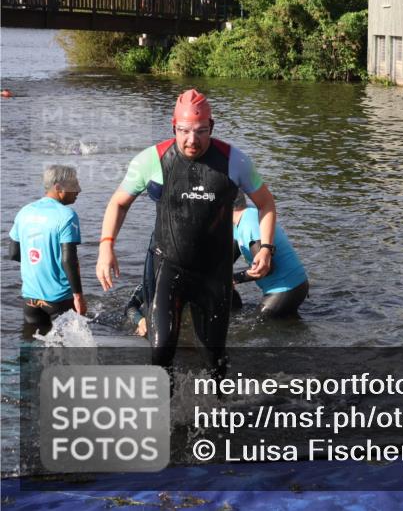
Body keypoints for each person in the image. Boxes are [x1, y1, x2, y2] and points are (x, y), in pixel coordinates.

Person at [96, 89, 276, 380]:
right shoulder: (152, 159)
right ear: (173, 127)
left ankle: (218, 416)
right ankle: (161, 415)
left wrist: (266, 247)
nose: (192, 140)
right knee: (161, 349)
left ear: (212, 127)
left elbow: (266, 203)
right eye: (184, 131)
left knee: (214, 357)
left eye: (201, 132)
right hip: (167, 266)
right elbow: (119, 202)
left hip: (214, 272)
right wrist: (106, 246)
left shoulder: (234, 161)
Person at [8, 166, 87, 338]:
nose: (78, 191)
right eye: (74, 186)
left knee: (29, 349)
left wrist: (38, 264)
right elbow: (69, 260)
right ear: (58, 188)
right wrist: (79, 297)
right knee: (65, 351)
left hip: (30, 299)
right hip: (59, 299)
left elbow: (13, 252)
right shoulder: (67, 215)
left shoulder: (25, 211)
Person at [232, 193, 308, 318]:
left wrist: (235, 278)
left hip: (286, 289)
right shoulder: (243, 217)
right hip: (293, 285)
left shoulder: (249, 225)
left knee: (258, 328)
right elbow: (231, 254)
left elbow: (266, 268)